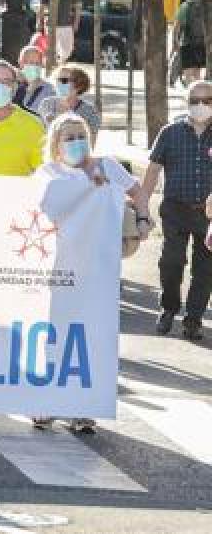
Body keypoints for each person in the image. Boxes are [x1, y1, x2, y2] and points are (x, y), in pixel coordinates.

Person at [31, 113, 149, 433]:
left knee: (93, 334)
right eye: (67, 137)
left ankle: (84, 408)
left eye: (79, 135)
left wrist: (142, 218)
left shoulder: (107, 166)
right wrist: (84, 185)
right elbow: (41, 206)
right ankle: (47, 403)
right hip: (60, 270)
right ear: (55, 144)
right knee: (56, 335)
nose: (75, 143)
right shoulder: (47, 173)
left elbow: (138, 192)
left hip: (99, 269)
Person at [139, 80, 212, 340]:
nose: (201, 106)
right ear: (187, 103)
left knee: (204, 270)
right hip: (175, 209)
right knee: (171, 262)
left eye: (207, 100)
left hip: (209, 213)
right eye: (195, 100)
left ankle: (193, 319)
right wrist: (142, 207)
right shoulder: (169, 133)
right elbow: (152, 172)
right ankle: (168, 308)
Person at [35, 65, 100, 142]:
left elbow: (90, 144)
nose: (59, 83)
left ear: (79, 85)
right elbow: (37, 134)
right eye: (57, 80)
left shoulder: (89, 111)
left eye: (64, 80)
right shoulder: (46, 104)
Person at [176, 0, 206, 83]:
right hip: (202, 44)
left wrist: (175, 42)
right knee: (198, 73)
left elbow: (177, 27)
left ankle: (191, 95)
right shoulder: (207, 7)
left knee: (188, 73)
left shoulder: (185, 6)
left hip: (187, 43)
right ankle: (198, 95)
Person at [14, 45, 55, 114]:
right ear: (20, 63)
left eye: (37, 63)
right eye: (30, 62)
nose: (34, 66)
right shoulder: (11, 84)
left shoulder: (49, 89)